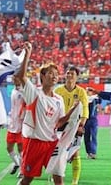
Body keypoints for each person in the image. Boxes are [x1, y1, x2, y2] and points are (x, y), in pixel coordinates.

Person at [17, 42, 76, 185]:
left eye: (56, 74)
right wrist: (27, 55)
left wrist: (74, 111)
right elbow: (21, 77)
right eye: (50, 73)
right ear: (42, 76)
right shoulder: (34, 93)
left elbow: (60, 121)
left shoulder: (59, 99)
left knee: (58, 178)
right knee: (27, 179)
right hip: (35, 143)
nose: (54, 76)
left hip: (52, 144)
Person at [54, 66, 89, 185]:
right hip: (60, 125)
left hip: (75, 126)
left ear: (77, 77)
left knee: (75, 153)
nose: (69, 76)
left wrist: (81, 125)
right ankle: (56, 176)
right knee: (57, 152)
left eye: (72, 74)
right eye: (67, 73)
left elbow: (85, 110)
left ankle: (74, 182)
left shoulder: (81, 92)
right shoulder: (58, 90)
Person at [6, 75, 26, 177]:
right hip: (12, 123)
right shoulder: (13, 90)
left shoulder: (25, 91)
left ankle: (22, 170)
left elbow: (28, 105)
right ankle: (17, 163)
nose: (14, 80)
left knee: (20, 148)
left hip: (21, 124)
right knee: (9, 147)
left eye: (16, 78)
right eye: (13, 79)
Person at [84, 88, 101, 159]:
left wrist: (95, 91)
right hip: (85, 119)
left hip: (93, 120)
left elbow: (100, 98)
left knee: (94, 136)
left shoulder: (95, 99)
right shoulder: (84, 99)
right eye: (88, 91)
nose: (89, 92)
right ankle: (88, 152)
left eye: (90, 91)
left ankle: (93, 152)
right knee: (86, 136)